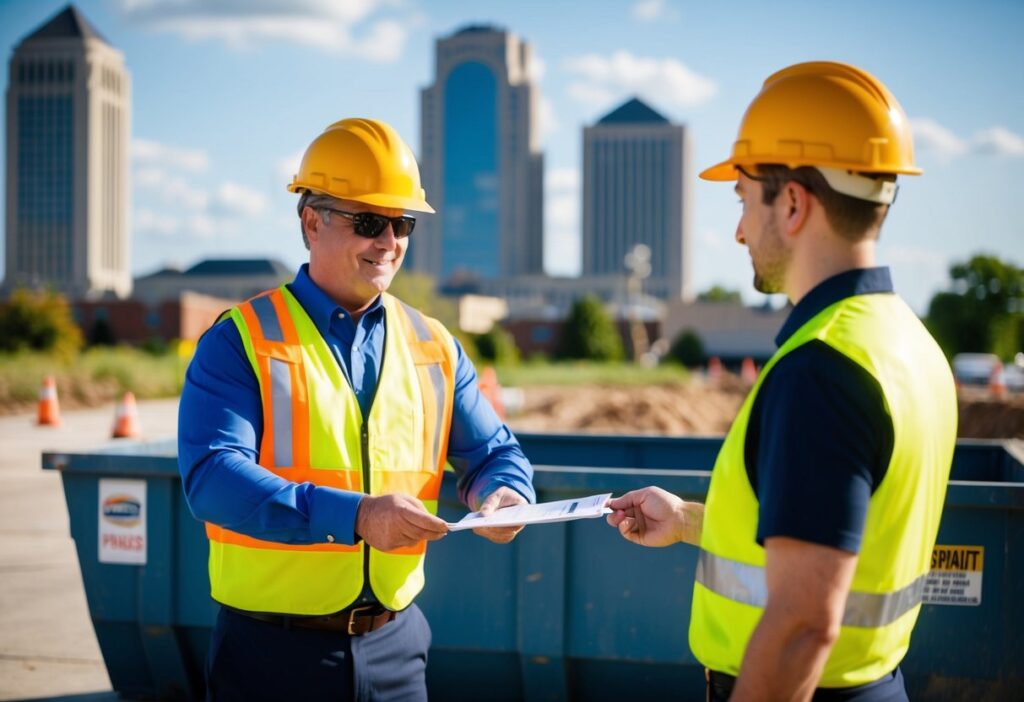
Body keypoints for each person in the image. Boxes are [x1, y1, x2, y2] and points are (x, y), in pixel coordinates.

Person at [607, 61, 957, 701]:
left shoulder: (823, 368)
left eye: (744, 200)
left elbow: (802, 624)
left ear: (792, 202)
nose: (739, 231)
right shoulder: (910, 345)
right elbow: (834, 537)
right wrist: (686, 520)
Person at [178, 117, 535, 702]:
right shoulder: (240, 340)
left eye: (403, 223)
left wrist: (502, 492)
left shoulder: (435, 346)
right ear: (311, 222)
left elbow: (493, 452)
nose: (389, 241)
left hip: (397, 647)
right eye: (369, 221)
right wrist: (356, 515)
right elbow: (213, 479)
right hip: (270, 656)